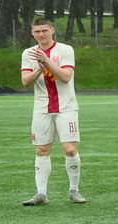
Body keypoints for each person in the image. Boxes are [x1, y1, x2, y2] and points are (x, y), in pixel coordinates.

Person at [19, 17, 82, 206]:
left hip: (66, 106)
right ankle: (41, 193)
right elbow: (25, 81)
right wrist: (39, 69)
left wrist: (46, 61)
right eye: (37, 31)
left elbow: (65, 77)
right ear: (32, 33)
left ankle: (74, 190)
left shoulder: (65, 50)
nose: (41, 34)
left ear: (52, 30)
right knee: (42, 149)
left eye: (44, 30)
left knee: (70, 149)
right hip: (42, 107)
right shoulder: (28, 53)